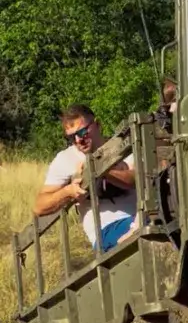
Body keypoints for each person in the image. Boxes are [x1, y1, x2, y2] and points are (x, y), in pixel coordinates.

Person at [34, 104, 138, 252]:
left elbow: (134, 179)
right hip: (106, 230)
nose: (78, 140)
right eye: (71, 137)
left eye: (83, 132)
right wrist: (68, 192)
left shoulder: (120, 146)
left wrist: (97, 171)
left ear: (97, 125)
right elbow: (39, 206)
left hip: (140, 216)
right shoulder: (66, 159)